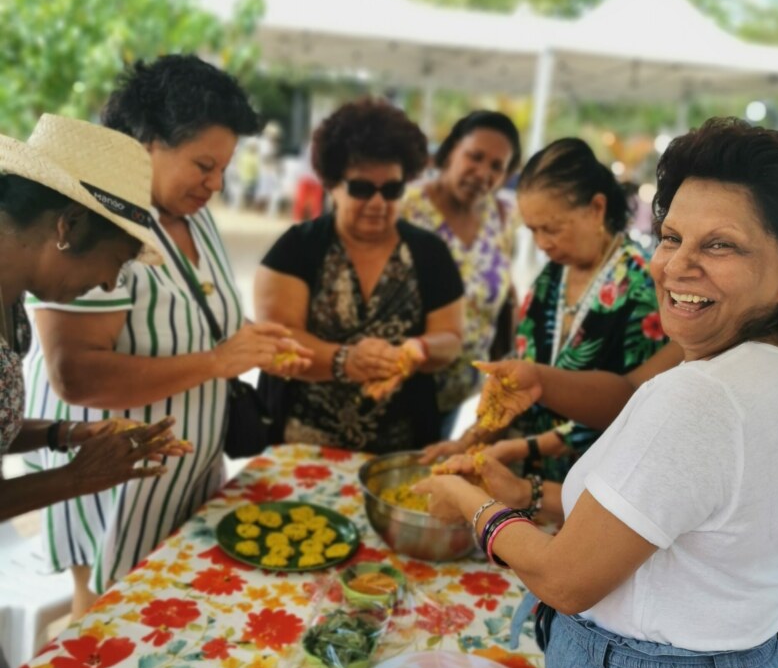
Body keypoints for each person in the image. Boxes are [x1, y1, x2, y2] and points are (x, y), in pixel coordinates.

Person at [417, 116, 778, 668]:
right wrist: (531, 494)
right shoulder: (771, 376)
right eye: (671, 236)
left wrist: (470, 503)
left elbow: (565, 577)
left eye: (721, 246)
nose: (680, 265)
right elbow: (683, 515)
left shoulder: (704, 395)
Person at [25, 56, 310, 616]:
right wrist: (217, 361)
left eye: (224, 167)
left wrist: (254, 341)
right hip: (117, 479)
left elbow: (193, 324)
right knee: (108, 623)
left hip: (187, 475)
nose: (216, 183)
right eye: (203, 164)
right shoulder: (103, 222)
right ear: (147, 141)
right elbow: (74, 374)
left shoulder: (193, 215)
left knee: (168, 618)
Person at [423, 136, 666, 481]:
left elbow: (635, 409)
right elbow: (521, 377)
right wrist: (469, 439)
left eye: (551, 228)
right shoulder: (553, 275)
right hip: (522, 475)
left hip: (592, 485)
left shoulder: (642, 286)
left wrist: (525, 447)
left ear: (596, 208)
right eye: (533, 230)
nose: (542, 243)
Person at [254, 97, 465, 453]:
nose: (378, 203)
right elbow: (278, 343)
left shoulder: (430, 253)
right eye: (361, 189)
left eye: (392, 190)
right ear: (333, 184)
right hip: (302, 444)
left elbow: (451, 339)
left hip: (399, 450)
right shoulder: (297, 249)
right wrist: (344, 361)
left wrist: (418, 349)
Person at [0, 114, 183, 522]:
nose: (107, 283)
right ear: (71, 224)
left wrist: (67, 433)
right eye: (116, 262)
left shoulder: (10, 301)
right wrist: (75, 479)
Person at [402, 110, 521, 433]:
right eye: (475, 156)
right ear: (452, 149)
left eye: (497, 167)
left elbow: (505, 293)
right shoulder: (405, 206)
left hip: (457, 393)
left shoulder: (503, 217)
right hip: (400, 385)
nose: (483, 172)